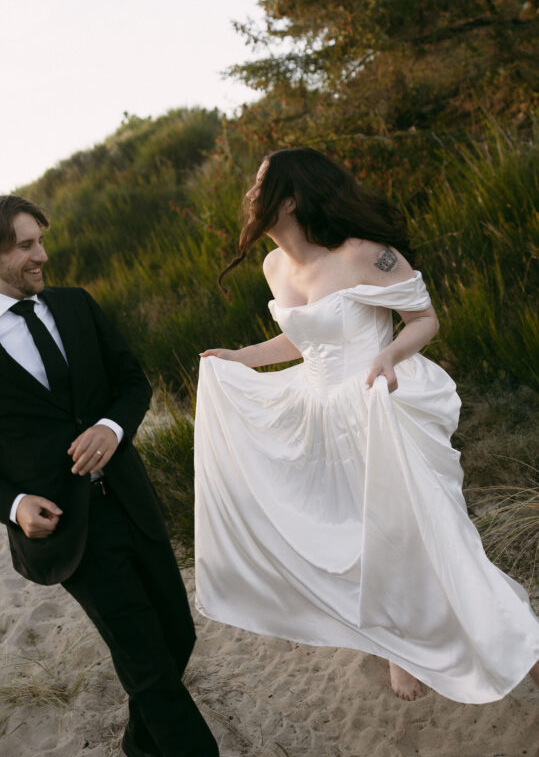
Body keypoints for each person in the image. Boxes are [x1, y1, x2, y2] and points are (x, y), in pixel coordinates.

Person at [0, 194, 249, 757]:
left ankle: (144, 742)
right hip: (69, 532)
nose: (41, 255)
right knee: (146, 661)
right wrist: (14, 505)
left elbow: (132, 382)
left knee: (178, 635)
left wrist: (112, 427)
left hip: (132, 502)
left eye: (40, 240)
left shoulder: (75, 306)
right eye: (25, 245)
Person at [195, 147, 539, 708]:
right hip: (323, 421)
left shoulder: (364, 256)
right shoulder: (274, 266)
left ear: (289, 199)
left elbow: (423, 319)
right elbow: (304, 340)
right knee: (365, 542)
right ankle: (401, 648)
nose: (249, 197)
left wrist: (390, 357)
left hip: (381, 410)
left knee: (441, 549)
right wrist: (240, 357)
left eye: (260, 187)